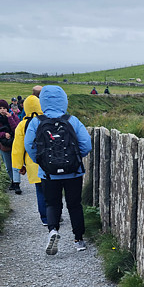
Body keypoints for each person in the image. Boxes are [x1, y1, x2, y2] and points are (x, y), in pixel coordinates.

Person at [24, 85, 92, 255]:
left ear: (43, 101)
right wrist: (76, 159)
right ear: (64, 100)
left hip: (48, 173)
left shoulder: (36, 122)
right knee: (75, 205)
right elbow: (86, 144)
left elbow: (29, 145)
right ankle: (79, 240)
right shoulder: (72, 120)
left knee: (52, 203)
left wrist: (42, 162)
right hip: (73, 172)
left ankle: (53, 230)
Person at [11, 94, 48, 225]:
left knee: (40, 191)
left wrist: (19, 165)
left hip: (33, 162)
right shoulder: (46, 121)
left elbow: (18, 148)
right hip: (49, 162)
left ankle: (45, 218)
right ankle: (55, 214)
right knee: (53, 190)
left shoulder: (22, 125)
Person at [0, 99, 21, 193]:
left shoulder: (13, 116)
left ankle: (17, 184)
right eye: (0, 108)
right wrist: (3, 135)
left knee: (15, 165)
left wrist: (10, 118)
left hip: (15, 143)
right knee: (8, 166)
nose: (2, 110)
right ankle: (13, 180)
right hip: (3, 145)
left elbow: (17, 129)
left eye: (4, 108)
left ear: (7, 108)